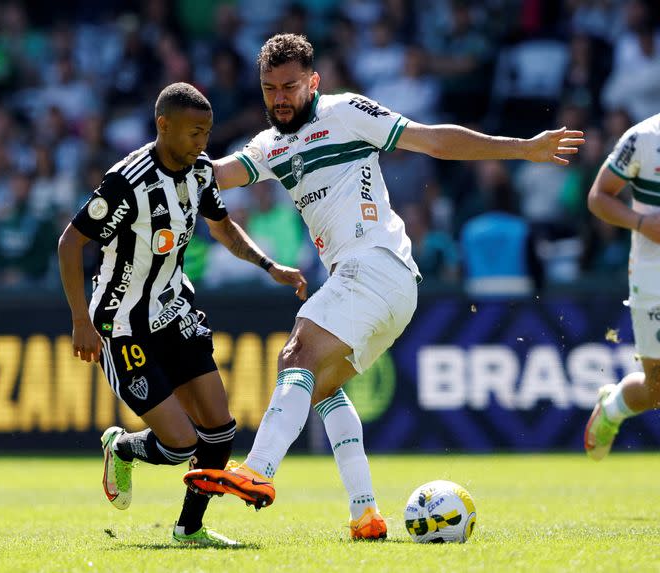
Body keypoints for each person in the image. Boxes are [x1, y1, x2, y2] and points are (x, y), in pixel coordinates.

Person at [183, 33, 584, 540]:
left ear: (314, 81)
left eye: (289, 87)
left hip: (375, 264)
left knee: (296, 355)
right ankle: (366, 513)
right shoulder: (271, 145)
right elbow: (219, 174)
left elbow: (434, 140)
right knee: (323, 386)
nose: (279, 99)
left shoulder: (346, 112)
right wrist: (171, 160)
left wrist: (522, 149)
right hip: (388, 286)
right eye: (269, 89)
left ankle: (259, 469)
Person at [57, 82, 306, 547]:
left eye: (207, 133)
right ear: (163, 125)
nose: (202, 143)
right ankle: (123, 446)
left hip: (174, 310)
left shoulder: (201, 173)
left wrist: (268, 265)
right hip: (123, 324)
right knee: (180, 445)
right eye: (194, 133)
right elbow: (71, 243)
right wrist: (80, 321)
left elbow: (222, 227)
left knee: (220, 430)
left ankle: (189, 529)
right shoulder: (126, 182)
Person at [584, 112, 660, 460]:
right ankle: (613, 407)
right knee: (656, 391)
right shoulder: (643, 138)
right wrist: (642, 222)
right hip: (652, 275)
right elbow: (599, 196)